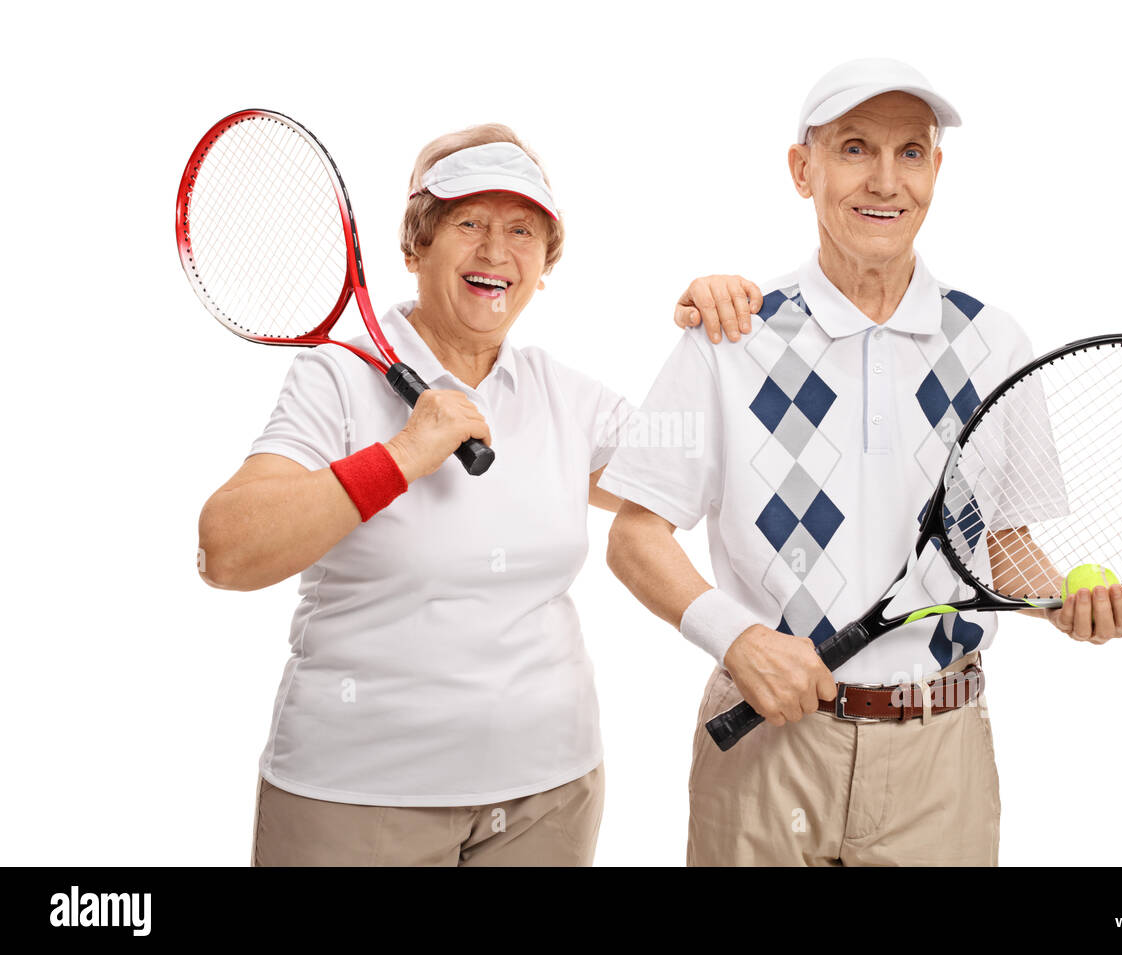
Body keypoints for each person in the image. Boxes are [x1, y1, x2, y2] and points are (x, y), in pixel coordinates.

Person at [599, 58, 1122, 866]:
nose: (885, 181)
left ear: (936, 171)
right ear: (802, 169)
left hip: (941, 761)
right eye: (854, 148)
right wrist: (738, 639)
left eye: (911, 153)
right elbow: (634, 537)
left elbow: (999, 543)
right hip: (766, 749)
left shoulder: (996, 343)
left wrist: (1066, 599)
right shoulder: (730, 333)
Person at [197, 124, 735, 866]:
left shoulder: (563, 395)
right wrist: (403, 455)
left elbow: (706, 474)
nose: (495, 251)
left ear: (544, 265)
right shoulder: (337, 381)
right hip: (357, 796)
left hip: (549, 794)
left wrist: (720, 342)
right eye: (468, 223)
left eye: (522, 230)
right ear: (415, 245)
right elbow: (226, 550)